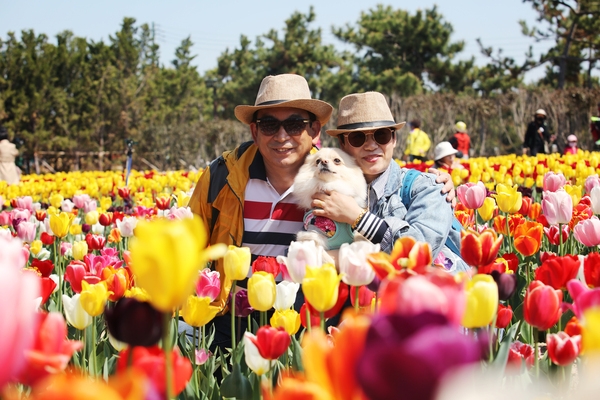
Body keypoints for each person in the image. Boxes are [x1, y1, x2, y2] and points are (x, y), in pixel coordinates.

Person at [186, 74, 456, 350]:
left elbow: (412, 249)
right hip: (234, 321)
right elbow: (187, 247)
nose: (281, 136)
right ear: (254, 131)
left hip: (309, 321)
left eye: (294, 125)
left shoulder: (337, 179)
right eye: (269, 125)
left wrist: (442, 184)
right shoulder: (223, 176)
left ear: (314, 130)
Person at [317, 92, 468, 273]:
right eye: (358, 137)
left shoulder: (428, 187)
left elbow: (419, 254)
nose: (371, 145)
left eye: (381, 135)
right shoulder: (330, 191)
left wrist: (358, 217)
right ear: (343, 143)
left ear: (394, 139)